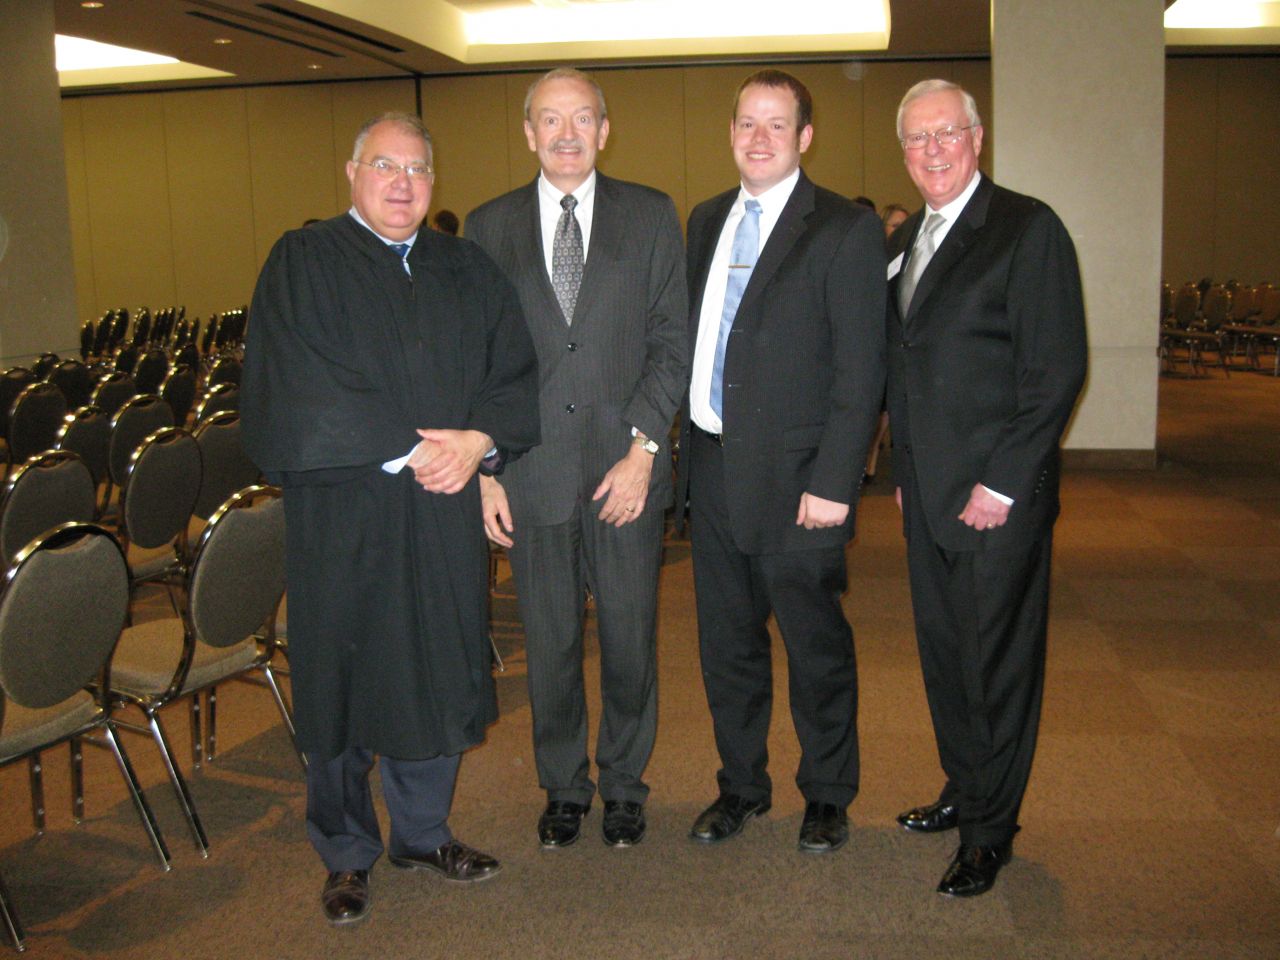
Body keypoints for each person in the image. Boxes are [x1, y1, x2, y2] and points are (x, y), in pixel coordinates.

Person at [241, 112, 540, 926]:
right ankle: (345, 851)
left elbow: (512, 370)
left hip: (442, 508)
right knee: (340, 677)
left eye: (416, 170)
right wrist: (408, 451)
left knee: (436, 664)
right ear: (352, 172)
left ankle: (422, 832)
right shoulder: (304, 261)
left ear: (433, 182)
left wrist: (480, 443)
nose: (402, 184)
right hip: (345, 510)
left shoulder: (464, 266)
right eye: (384, 166)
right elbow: (296, 380)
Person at [465, 68, 688, 850]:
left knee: (629, 637)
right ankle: (564, 786)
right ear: (529, 132)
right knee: (550, 644)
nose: (567, 134)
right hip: (532, 472)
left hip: (626, 471)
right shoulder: (488, 226)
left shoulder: (650, 214)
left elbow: (671, 344)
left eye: (582, 118)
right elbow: (478, 362)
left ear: (604, 129)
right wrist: (487, 473)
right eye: (550, 120)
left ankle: (624, 785)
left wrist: (643, 451)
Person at [676, 69, 886, 854]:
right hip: (712, 469)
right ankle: (741, 786)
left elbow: (861, 370)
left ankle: (827, 793)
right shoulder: (705, 220)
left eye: (776, 124)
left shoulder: (843, 228)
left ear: (805, 137)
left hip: (801, 482)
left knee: (814, 646)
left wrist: (836, 482)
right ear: (730, 132)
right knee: (727, 647)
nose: (758, 138)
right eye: (746, 123)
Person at [886, 79, 1086, 897]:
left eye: (947, 133)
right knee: (945, 655)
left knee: (996, 666)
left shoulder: (1027, 229)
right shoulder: (906, 238)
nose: (932, 150)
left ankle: (990, 832)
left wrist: (1001, 485)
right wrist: (904, 473)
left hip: (994, 501)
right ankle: (966, 787)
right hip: (928, 494)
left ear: (977, 138)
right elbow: (905, 367)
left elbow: (1056, 371)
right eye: (917, 138)